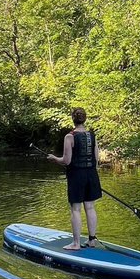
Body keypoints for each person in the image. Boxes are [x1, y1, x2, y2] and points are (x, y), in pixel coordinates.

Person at [47, 107, 103, 251]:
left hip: (77, 176)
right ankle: (91, 240)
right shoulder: (92, 135)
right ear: (85, 118)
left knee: (76, 209)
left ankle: (76, 243)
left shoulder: (69, 137)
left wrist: (54, 159)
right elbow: (96, 158)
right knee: (90, 207)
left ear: (73, 118)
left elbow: (66, 160)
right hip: (91, 174)